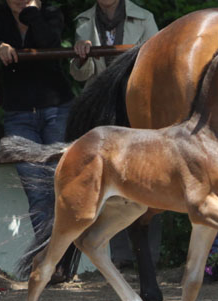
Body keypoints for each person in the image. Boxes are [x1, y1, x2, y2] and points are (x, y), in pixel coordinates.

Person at [0, 0, 75, 282]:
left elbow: (49, 42)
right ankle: (51, 262)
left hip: (56, 110)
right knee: (36, 189)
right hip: (19, 115)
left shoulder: (49, 13)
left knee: (62, 185)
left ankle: (63, 258)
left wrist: (31, 14)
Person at [69, 0, 159, 269]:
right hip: (103, 112)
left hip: (136, 107)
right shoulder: (83, 21)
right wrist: (81, 56)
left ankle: (151, 255)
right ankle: (120, 256)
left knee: (149, 178)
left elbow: (156, 65)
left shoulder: (145, 18)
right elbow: (79, 74)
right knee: (111, 182)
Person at [70, 0, 158, 88]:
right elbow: (80, 76)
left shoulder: (145, 18)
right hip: (98, 98)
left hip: (134, 95)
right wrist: (83, 58)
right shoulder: (84, 21)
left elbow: (157, 67)